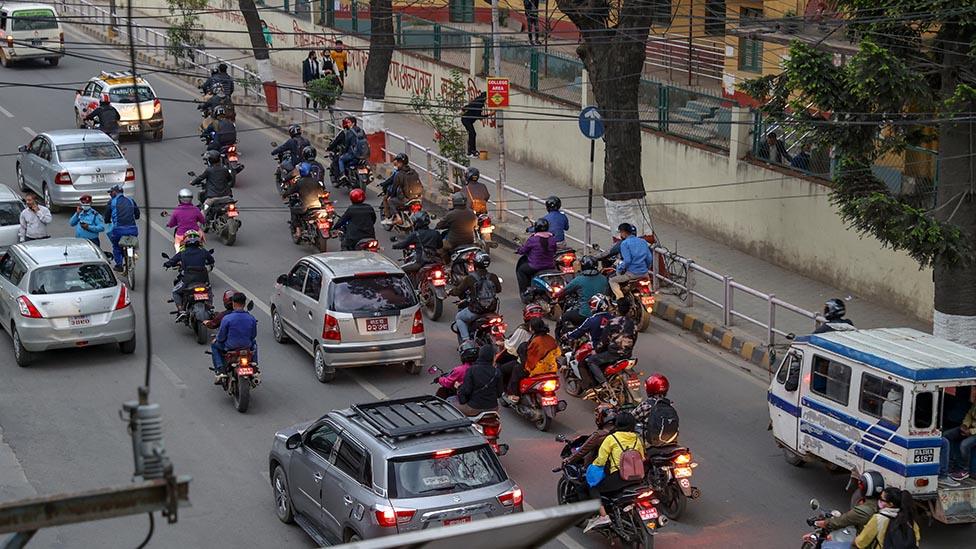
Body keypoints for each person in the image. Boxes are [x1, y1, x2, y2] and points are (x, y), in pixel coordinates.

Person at [583, 411, 645, 533]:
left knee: (593, 487)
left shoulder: (611, 438)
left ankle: (603, 516)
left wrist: (591, 468)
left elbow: (601, 461)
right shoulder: (637, 440)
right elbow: (642, 458)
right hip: (637, 477)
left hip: (619, 478)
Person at [583, 298, 637, 397]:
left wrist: (596, 351)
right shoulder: (633, 324)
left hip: (613, 354)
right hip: (627, 354)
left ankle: (603, 384)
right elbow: (634, 339)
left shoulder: (612, 322)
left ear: (618, 309)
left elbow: (604, 341)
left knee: (591, 361)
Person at [162, 230, 214, 321]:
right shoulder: (203, 251)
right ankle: (209, 306)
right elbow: (211, 260)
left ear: (186, 241)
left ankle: (181, 310)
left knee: (175, 292)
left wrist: (167, 264)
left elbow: (172, 261)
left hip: (188, 280)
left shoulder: (183, 252)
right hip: (203, 279)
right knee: (209, 290)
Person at [450, 251, 501, 342]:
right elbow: (498, 290)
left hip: (476, 310)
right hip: (491, 309)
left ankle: (466, 341)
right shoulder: (493, 277)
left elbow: (458, 291)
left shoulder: (470, 278)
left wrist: (450, 292)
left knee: (459, 317)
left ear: (475, 264)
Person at [505, 317, 560, 400]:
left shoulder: (536, 341)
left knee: (516, 369)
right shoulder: (551, 339)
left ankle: (513, 394)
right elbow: (557, 353)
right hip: (551, 368)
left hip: (538, 369)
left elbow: (531, 359)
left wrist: (524, 365)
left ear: (532, 328)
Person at [813, 471, 884, 534]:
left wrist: (818, 523)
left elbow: (839, 522)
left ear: (864, 488)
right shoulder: (882, 504)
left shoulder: (863, 511)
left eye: (860, 485)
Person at [557, 256, 610, 334]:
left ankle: (568, 338)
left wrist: (555, 295)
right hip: (602, 314)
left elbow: (563, 291)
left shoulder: (579, 280)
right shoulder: (604, 279)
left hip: (585, 313)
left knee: (565, 316)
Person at [853, 487, 920, 549]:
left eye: (882, 499)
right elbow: (916, 540)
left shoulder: (878, 518)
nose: (879, 500)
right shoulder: (909, 518)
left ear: (890, 504)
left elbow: (861, 542)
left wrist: (854, 541)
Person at [213, 292, 258, 383]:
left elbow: (221, 337)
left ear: (233, 303)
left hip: (230, 347)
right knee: (254, 343)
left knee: (214, 346)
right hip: (246, 347)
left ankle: (220, 369)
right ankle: (255, 365)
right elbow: (253, 335)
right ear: (244, 304)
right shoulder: (251, 318)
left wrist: (216, 339)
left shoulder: (227, 318)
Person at [454, 343, 504, 416]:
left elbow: (466, 391)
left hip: (474, 408)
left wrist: (458, 387)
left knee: (450, 403)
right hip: (493, 408)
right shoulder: (497, 372)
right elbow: (499, 393)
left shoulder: (472, 370)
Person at [632, 373, 680, 447]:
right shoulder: (669, 404)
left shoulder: (646, 406)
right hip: (670, 441)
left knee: (635, 427)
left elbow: (632, 417)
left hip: (651, 441)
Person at [392, 211, 442, 277]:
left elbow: (403, 244)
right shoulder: (435, 233)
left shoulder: (415, 234)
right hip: (435, 261)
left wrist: (394, 246)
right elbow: (440, 245)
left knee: (399, 271)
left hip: (420, 262)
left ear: (417, 222)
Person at [608, 223, 652, 299]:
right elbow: (649, 258)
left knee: (612, 280)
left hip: (632, 274)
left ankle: (621, 300)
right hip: (644, 274)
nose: (621, 234)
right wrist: (645, 269)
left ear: (624, 232)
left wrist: (620, 269)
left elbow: (627, 261)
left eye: (621, 232)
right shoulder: (643, 242)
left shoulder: (625, 244)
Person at [515, 218, 557, 294]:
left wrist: (518, 250)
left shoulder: (533, 239)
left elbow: (523, 250)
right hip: (550, 266)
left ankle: (524, 291)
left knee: (521, 271)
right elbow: (554, 251)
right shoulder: (552, 239)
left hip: (534, 266)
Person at [104, 185, 140, 272]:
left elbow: (107, 216)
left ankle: (119, 265)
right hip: (133, 229)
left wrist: (107, 221)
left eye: (111, 192)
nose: (110, 194)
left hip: (118, 230)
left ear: (115, 192)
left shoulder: (112, 202)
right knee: (132, 242)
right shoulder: (131, 201)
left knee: (116, 246)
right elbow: (137, 215)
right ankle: (132, 254)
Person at [192, 150, 234, 222]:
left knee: (203, 211)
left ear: (210, 160)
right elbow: (230, 179)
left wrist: (193, 182)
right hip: (227, 197)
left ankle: (197, 229)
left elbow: (200, 178)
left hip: (213, 199)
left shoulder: (209, 170)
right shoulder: (225, 169)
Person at [287, 165, 327, 240]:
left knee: (293, 210)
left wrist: (285, 195)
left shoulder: (299, 182)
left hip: (306, 207)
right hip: (318, 205)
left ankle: (298, 230)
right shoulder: (316, 181)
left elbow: (290, 191)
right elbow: (321, 191)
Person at [380, 153, 423, 222]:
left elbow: (394, 189)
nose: (396, 163)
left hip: (406, 199)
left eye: (398, 162)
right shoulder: (413, 171)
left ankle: (398, 217)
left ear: (400, 163)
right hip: (417, 198)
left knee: (390, 201)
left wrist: (391, 196)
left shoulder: (399, 174)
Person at [436, 193, 478, 264]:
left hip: (453, 242)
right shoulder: (471, 213)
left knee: (439, 248)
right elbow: (475, 225)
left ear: (455, 202)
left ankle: (446, 264)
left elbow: (439, 225)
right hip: (469, 241)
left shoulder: (451, 214)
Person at [941, 401, 976, 481]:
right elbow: (969, 415)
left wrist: (970, 431)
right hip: (969, 428)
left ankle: (964, 470)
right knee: (946, 436)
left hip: (974, 431)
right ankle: (949, 465)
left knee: (964, 445)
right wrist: (965, 425)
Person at [461, 91, 488, 157]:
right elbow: (478, 116)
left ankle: (471, 151)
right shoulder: (479, 104)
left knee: (472, 134)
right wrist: (488, 115)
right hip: (466, 120)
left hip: (467, 120)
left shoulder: (477, 100)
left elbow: (465, 107)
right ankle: (471, 151)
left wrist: (465, 110)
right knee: (472, 133)